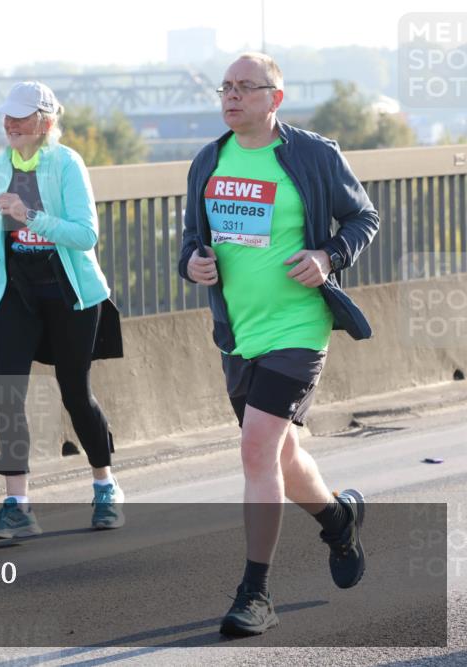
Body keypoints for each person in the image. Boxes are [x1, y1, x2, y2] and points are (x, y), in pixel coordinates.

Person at [178, 53, 379, 637]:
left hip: (298, 327)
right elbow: (193, 237)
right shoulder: (208, 161)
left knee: (255, 449)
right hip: (238, 332)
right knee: (282, 457)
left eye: (246, 87)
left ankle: (255, 593)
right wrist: (192, 263)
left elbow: (361, 217)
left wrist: (327, 256)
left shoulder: (314, 154)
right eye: (226, 87)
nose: (232, 96)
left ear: (275, 98)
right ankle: (339, 521)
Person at [0, 81, 124, 539]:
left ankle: (105, 485)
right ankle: (17, 504)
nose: (9, 123)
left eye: (20, 116)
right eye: (6, 116)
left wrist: (29, 215)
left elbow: (85, 235)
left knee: (75, 393)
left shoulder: (67, 163)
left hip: (69, 293)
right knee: (7, 391)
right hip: (17, 291)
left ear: (45, 123)